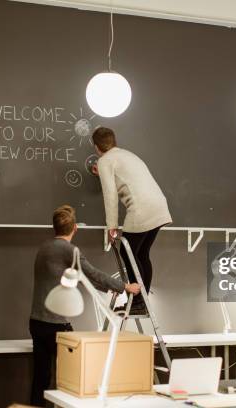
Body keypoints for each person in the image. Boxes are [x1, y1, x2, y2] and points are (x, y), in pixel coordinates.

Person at [29, 205, 140, 407]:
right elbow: (92, 273)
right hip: (56, 325)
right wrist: (124, 286)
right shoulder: (70, 251)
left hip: (37, 323)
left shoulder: (44, 248)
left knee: (41, 378)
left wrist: (108, 289)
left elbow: (76, 277)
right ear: (75, 228)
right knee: (72, 379)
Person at [92, 127, 172, 315]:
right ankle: (142, 301)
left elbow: (110, 195)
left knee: (127, 253)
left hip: (141, 209)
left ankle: (137, 302)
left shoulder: (104, 161)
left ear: (96, 146)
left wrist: (111, 226)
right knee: (142, 254)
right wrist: (102, 173)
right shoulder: (128, 155)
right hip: (159, 206)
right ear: (114, 141)